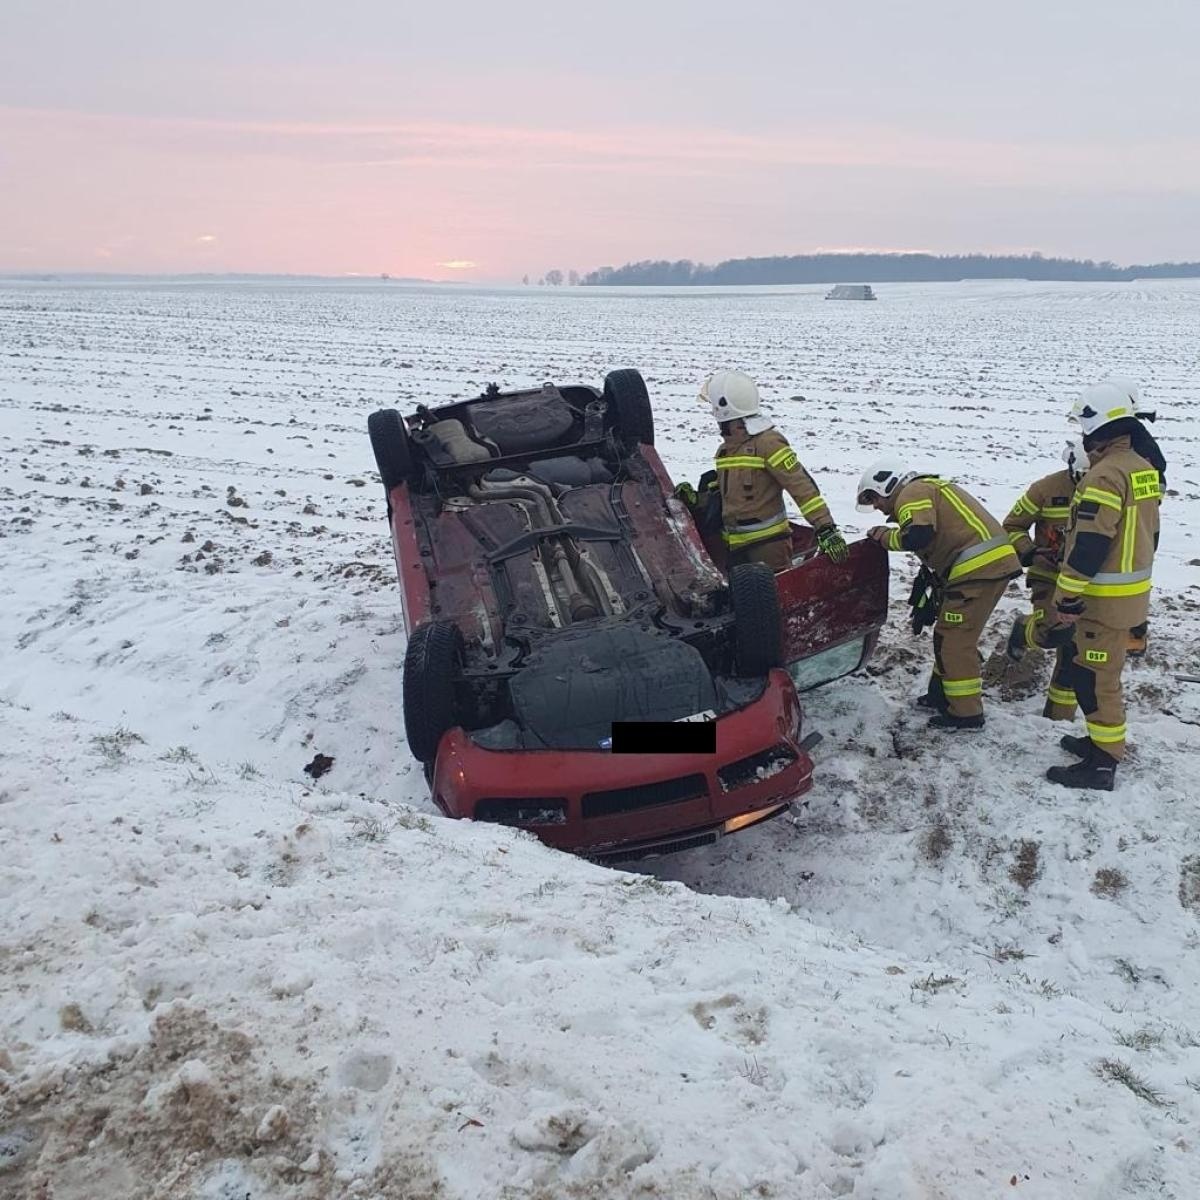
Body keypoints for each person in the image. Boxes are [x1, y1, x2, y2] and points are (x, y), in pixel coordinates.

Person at [1042, 379, 1164, 791]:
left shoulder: (1105, 476)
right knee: (1092, 673)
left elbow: (1092, 542)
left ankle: (1102, 763)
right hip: (1128, 596)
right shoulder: (1142, 469)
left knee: (1097, 681)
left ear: (1097, 427)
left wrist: (1067, 594)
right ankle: (1098, 743)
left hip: (1103, 601)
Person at [857, 458, 1021, 729]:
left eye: (873, 498)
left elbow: (918, 535)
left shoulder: (912, 492)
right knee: (949, 635)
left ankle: (965, 714)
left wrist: (884, 537)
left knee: (955, 641)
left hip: (977, 570)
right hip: (983, 568)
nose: (875, 506)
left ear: (886, 485)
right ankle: (941, 694)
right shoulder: (928, 488)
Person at [691, 370, 848, 572]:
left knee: (777, 599)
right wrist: (698, 501)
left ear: (724, 410)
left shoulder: (768, 443)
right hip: (735, 547)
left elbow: (801, 487)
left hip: (768, 548)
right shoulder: (725, 451)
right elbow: (729, 498)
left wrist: (826, 528)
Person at [1002, 438, 1087, 715]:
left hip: (1087, 581)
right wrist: (1030, 552)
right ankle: (1022, 631)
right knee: (1053, 632)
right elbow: (1012, 526)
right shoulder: (1045, 489)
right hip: (1048, 576)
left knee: (1077, 649)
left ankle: (1058, 717)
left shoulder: (1110, 485)